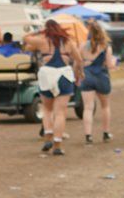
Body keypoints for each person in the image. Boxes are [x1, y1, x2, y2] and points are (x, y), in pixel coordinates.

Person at [24, 20, 84, 156]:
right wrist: (79, 72)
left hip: (47, 74)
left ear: (46, 29)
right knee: (60, 113)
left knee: (47, 110)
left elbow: (25, 38)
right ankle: (57, 145)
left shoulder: (42, 40)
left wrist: (38, 31)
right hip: (64, 75)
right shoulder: (68, 41)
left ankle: (47, 138)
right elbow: (79, 60)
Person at [80, 20, 116, 144]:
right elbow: (110, 65)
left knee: (88, 108)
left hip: (87, 76)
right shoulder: (106, 47)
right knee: (105, 106)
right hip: (101, 76)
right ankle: (106, 133)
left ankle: (88, 136)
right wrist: (114, 62)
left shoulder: (82, 45)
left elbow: (78, 63)